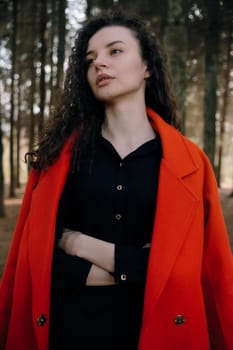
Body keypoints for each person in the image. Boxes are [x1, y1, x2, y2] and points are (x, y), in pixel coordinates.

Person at [0, 10, 233, 350]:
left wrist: (81, 245)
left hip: (162, 336)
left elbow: (202, 271)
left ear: (147, 68)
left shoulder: (191, 163)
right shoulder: (56, 160)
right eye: (90, 58)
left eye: (115, 51)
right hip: (71, 334)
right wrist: (137, 267)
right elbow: (38, 265)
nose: (98, 64)